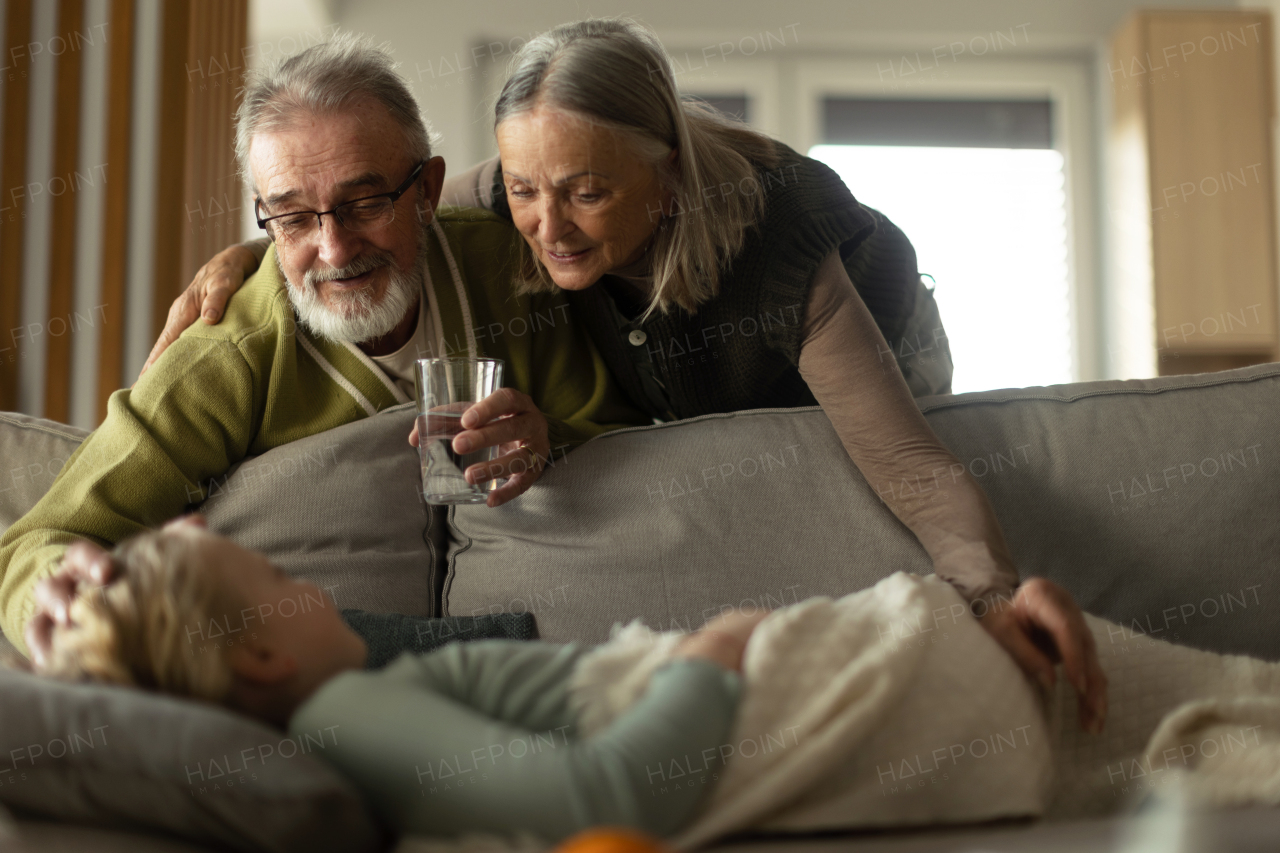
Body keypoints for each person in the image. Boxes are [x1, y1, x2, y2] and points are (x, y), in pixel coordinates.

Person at [154, 20, 1106, 732]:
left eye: (588, 191)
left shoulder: (786, 254)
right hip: (671, 353)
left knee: (854, 472)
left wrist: (988, 595)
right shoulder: (518, 187)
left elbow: (913, 464)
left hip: (882, 326)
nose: (548, 225)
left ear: (667, 178)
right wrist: (235, 261)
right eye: (525, 190)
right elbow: (359, 214)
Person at [2, 35, 645, 667]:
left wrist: (548, 437)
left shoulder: (510, 267)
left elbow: (623, 440)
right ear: (265, 217)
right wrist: (61, 598)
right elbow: (36, 541)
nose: (334, 249)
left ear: (426, 192)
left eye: (364, 203)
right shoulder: (230, 352)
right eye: (292, 217)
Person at [46, 517, 756, 841]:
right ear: (260, 660)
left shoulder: (351, 711)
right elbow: (605, 800)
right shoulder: (345, 715)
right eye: (280, 578)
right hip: (752, 688)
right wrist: (714, 648)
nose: (317, 591)